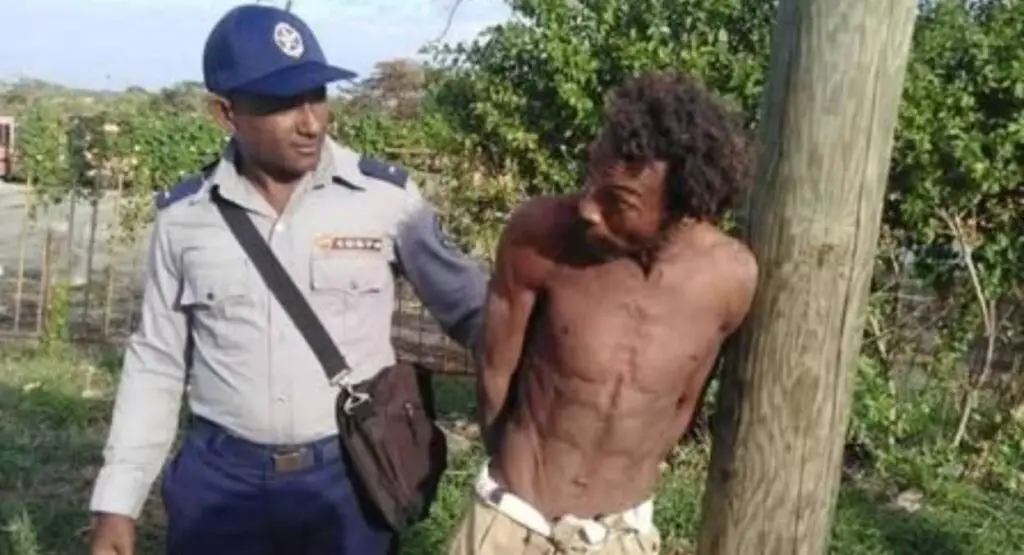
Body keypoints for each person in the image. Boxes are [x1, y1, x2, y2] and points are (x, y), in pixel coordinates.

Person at [88, 5, 487, 555]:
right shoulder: (184, 220)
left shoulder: (386, 200)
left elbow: (477, 312)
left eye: (317, 95)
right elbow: (155, 362)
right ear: (226, 113)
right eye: (282, 104)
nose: (312, 121)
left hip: (348, 479)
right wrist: (117, 502)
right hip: (221, 483)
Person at [449, 71, 760, 555]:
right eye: (590, 179)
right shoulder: (540, 238)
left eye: (618, 200)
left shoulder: (729, 279)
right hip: (511, 519)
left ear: (685, 207)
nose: (589, 208)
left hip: (618, 533)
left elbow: (681, 404)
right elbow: (495, 371)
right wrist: (515, 477)